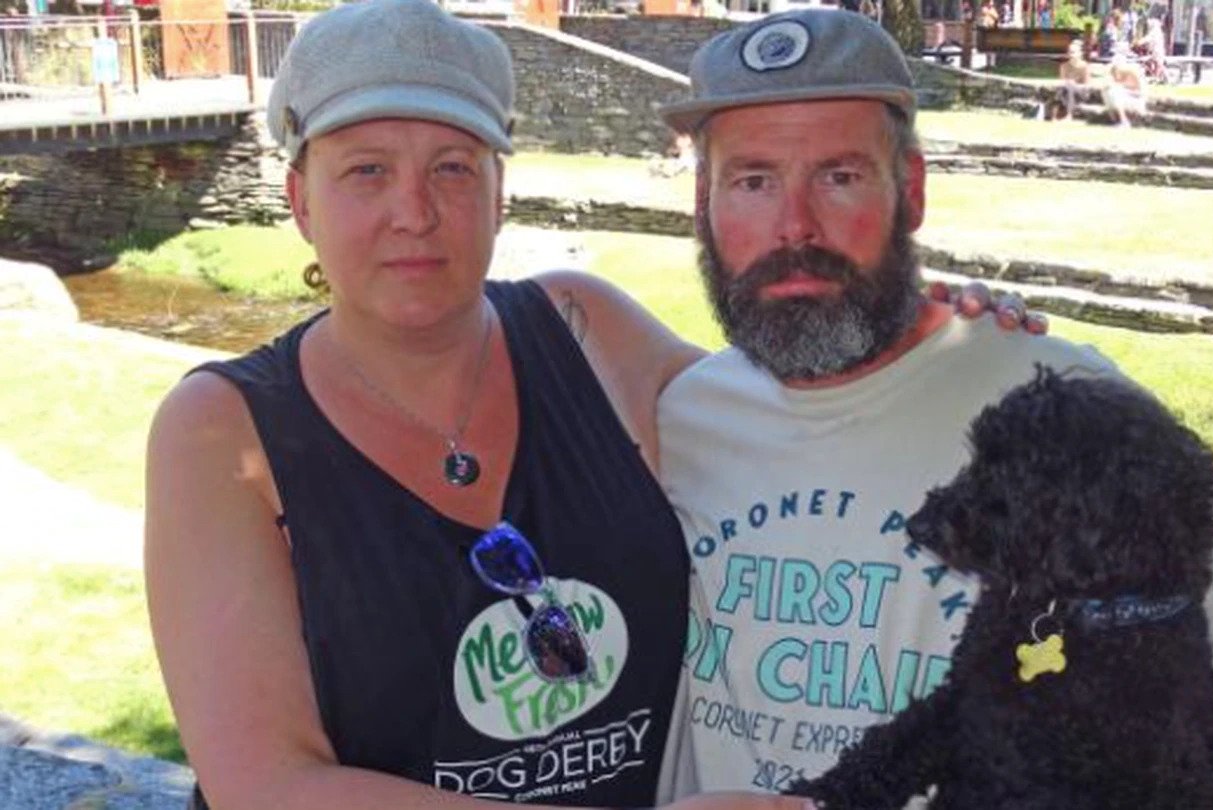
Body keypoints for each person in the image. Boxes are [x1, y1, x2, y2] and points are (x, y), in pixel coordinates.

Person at [144, 1, 1030, 807]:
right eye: (366, 170)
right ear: (301, 199)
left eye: (453, 168)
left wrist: (903, 316)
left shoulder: (583, 328)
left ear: (501, 188)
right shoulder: (225, 430)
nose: (414, 212)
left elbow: (798, 414)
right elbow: (263, 782)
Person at [653, 8, 1213, 807]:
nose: (793, 226)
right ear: (702, 203)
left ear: (910, 190)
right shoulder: (680, 413)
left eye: (839, 175)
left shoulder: (1068, 416)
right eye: (752, 181)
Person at [1103, 47, 1148, 127]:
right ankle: (1113, 119)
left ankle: (1124, 121)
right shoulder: (1114, 71)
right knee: (1106, 90)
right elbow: (1110, 83)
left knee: (1116, 91)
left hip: (1136, 98)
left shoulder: (1132, 72)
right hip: (1124, 95)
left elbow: (1139, 90)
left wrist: (1121, 86)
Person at [1057, 38, 1091, 121]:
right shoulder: (1064, 66)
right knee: (1065, 87)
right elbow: (1062, 82)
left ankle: (1069, 115)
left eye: (1073, 52)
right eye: (1070, 52)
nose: (1071, 54)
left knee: (1071, 86)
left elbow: (1087, 85)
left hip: (1081, 92)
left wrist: (1074, 85)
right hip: (1066, 90)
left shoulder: (1085, 66)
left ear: (1080, 53)